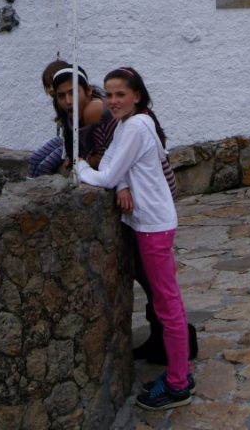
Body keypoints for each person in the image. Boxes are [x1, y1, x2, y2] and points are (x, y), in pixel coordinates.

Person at [75, 66, 194, 411]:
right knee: (165, 302)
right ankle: (180, 372)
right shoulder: (132, 124)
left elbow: (108, 173)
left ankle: (178, 384)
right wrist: (118, 179)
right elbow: (118, 165)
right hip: (153, 221)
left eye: (120, 94)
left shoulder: (136, 127)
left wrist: (80, 167)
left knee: (167, 305)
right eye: (109, 94)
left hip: (153, 225)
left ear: (137, 95)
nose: (113, 101)